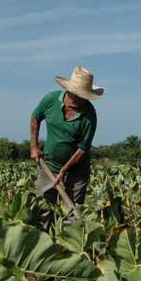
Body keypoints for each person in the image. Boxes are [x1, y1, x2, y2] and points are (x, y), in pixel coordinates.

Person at [30, 66, 103, 225]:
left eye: (85, 97)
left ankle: (70, 246)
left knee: (72, 215)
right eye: (79, 96)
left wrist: (63, 171)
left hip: (77, 171)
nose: (82, 100)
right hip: (49, 164)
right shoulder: (50, 100)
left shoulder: (89, 115)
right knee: (43, 209)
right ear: (70, 92)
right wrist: (34, 146)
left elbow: (83, 149)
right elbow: (35, 117)